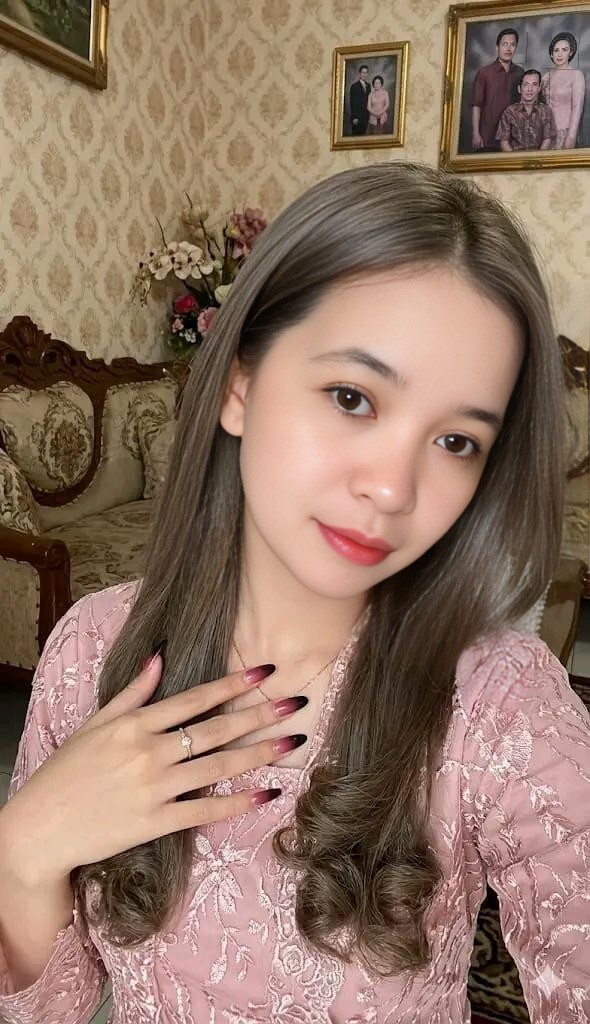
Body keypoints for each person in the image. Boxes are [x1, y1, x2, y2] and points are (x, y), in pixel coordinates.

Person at [0, 163, 589, 1023]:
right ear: (239, 385)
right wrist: (23, 850)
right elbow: (49, 1008)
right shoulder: (95, 649)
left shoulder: (498, 703)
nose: (392, 488)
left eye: (457, 441)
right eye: (353, 397)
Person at [471, 28, 524, 151]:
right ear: (497, 47)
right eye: (505, 44)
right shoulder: (484, 73)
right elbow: (476, 105)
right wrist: (476, 134)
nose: (509, 48)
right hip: (488, 136)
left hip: (512, 137)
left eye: (513, 45)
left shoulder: (520, 72)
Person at [541, 31, 586, 150]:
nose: (560, 54)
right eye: (556, 50)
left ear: (570, 52)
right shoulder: (546, 76)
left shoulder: (576, 75)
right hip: (545, 135)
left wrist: (571, 137)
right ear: (551, 54)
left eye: (564, 50)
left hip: (564, 133)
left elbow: (577, 108)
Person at [496, 69, 557, 151]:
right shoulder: (510, 111)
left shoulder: (546, 111)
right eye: (526, 84)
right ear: (519, 89)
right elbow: (504, 142)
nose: (530, 89)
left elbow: (547, 139)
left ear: (539, 88)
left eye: (534, 84)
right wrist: (515, 158)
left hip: (539, 157)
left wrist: (538, 157)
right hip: (515, 156)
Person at [349, 64, 371, 135]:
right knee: (356, 136)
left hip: (366, 117)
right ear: (359, 74)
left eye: (366, 72)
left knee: (364, 136)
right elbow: (352, 103)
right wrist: (354, 117)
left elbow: (369, 101)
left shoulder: (368, 86)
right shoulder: (354, 86)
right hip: (357, 117)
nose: (364, 74)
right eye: (363, 72)